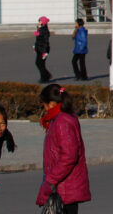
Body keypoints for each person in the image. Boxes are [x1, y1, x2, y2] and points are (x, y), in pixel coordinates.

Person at [36, 84, 91, 212]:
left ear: (52, 104)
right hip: (63, 187)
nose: (44, 109)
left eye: (44, 104)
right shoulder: (62, 118)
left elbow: (69, 156)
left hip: (65, 188)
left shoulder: (62, 122)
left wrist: (51, 180)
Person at [34, 16, 52, 83]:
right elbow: (38, 39)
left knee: (40, 63)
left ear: (43, 23)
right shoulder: (40, 29)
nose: (38, 22)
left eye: (40, 21)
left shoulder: (44, 31)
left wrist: (44, 52)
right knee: (38, 63)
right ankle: (46, 75)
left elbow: (45, 42)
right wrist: (35, 46)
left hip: (43, 49)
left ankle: (44, 77)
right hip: (39, 48)